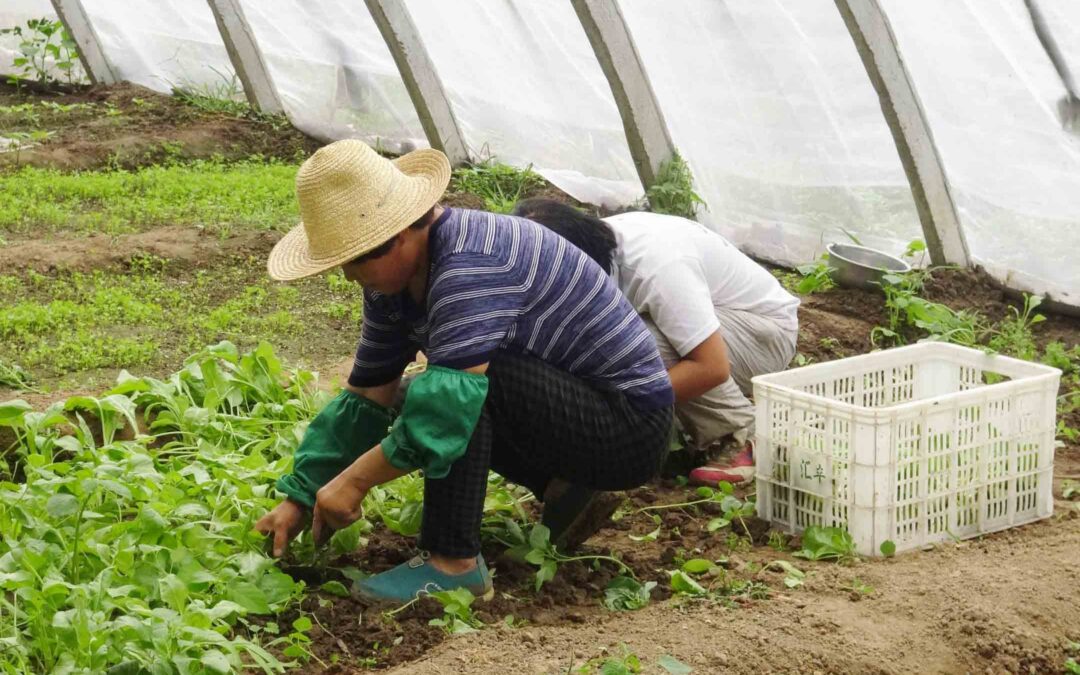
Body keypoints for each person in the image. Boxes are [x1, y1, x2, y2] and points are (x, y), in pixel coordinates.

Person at [255, 140, 673, 602]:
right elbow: (368, 395)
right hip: (572, 413)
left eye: (355, 259)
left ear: (400, 234)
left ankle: (453, 563)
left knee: (458, 391)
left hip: (629, 428)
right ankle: (566, 487)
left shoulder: (470, 263)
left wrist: (354, 482)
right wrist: (302, 494)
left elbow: (446, 408)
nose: (349, 276)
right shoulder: (392, 286)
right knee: (414, 394)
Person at [512, 199, 798, 486]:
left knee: (636, 344)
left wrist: (622, 408)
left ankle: (743, 434)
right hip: (718, 327)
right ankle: (677, 432)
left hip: (764, 335)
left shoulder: (656, 264)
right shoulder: (591, 245)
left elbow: (712, 367)